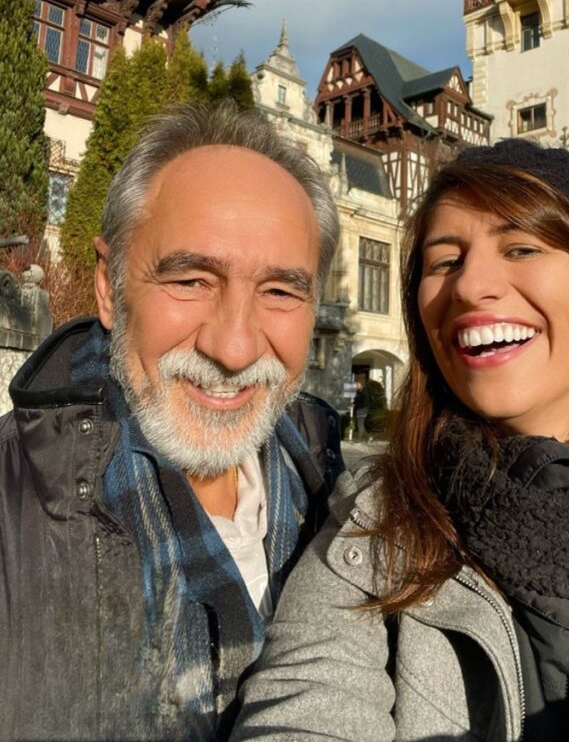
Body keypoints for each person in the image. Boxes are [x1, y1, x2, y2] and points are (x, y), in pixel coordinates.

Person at [233, 138, 569, 742]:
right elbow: (306, 701)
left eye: (522, 247)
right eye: (444, 262)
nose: (471, 287)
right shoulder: (375, 526)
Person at [0, 102, 343, 742]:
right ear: (109, 288)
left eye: (280, 292)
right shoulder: (13, 512)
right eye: (189, 280)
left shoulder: (340, 497)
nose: (235, 349)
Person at [352, 375, 369, 440]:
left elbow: (364, 403)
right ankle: (368, 437)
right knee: (361, 425)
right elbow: (356, 400)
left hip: (363, 410)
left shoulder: (364, 393)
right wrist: (353, 403)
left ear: (361, 385)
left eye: (357, 385)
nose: (356, 386)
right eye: (356, 385)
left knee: (360, 425)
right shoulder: (358, 392)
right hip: (359, 410)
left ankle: (359, 439)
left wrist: (355, 405)